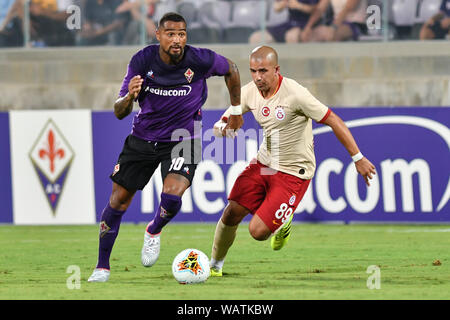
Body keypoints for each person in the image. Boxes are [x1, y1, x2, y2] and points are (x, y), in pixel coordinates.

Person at [87, 12, 243, 282]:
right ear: (158, 35)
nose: (177, 39)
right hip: (143, 138)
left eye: (181, 34)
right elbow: (119, 111)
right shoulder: (141, 61)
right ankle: (102, 266)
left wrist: (237, 110)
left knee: (172, 197)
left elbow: (232, 69)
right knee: (117, 202)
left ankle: (154, 229)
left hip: (185, 137)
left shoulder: (200, 59)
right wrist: (129, 96)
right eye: (170, 33)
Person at [209, 46, 376, 277]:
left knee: (257, 232)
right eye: (253, 71)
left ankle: (282, 220)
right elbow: (224, 121)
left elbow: (334, 120)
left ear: (276, 70)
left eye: (263, 71)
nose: (257, 77)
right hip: (264, 163)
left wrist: (358, 158)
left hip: (293, 173)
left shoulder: (296, 94)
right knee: (231, 212)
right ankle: (214, 266)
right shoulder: (249, 92)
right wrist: (223, 129)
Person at [249, 0, 319, 44]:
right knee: (256, 38)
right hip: (289, 24)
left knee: (292, 36)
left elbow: (314, 9)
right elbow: (276, 8)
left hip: (304, 24)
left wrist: (299, 6)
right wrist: (283, 3)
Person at [301, 0, 368, 42]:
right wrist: (308, 27)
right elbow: (320, 9)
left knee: (330, 36)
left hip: (356, 25)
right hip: (337, 24)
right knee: (310, 36)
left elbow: (348, 8)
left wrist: (333, 27)